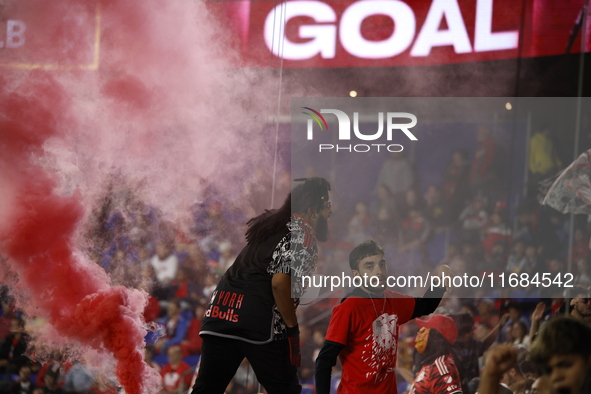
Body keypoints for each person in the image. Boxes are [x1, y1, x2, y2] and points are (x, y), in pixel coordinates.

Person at [192, 177, 332, 394]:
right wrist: (292, 330)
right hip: (257, 321)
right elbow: (279, 283)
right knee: (286, 390)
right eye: (327, 205)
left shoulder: (271, 226)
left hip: (220, 312)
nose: (330, 211)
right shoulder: (303, 235)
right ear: (313, 210)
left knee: (206, 389)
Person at [314, 240, 450, 394]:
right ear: (356, 275)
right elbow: (324, 360)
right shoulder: (348, 308)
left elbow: (426, 306)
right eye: (369, 266)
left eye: (382, 264)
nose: (379, 271)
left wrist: (441, 277)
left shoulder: (393, 300)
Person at [410, 315, 462, 394]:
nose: (420, 333)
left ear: (435, 336)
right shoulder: (433, 363)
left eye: (426, 330)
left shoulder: (442, 368)